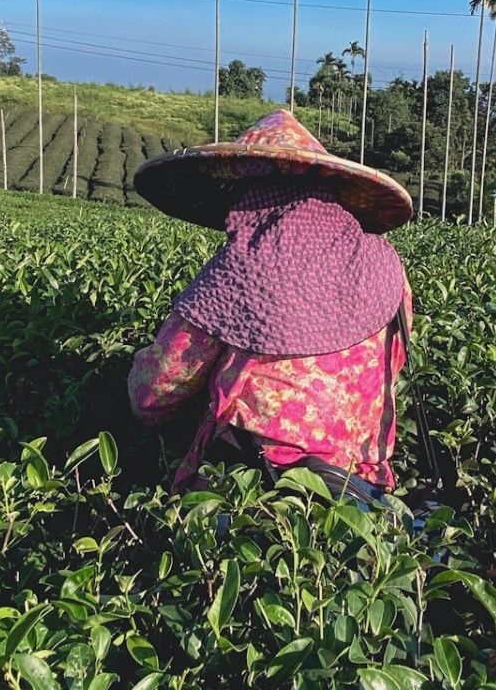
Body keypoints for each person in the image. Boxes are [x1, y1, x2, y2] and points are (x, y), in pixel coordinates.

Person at [128, 109, 416, 498]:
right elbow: (393, 361)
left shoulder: (238, 272)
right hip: (358, 481)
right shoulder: (388, 265)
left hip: (253, 486)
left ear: (249, 195)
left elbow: (156, 391)